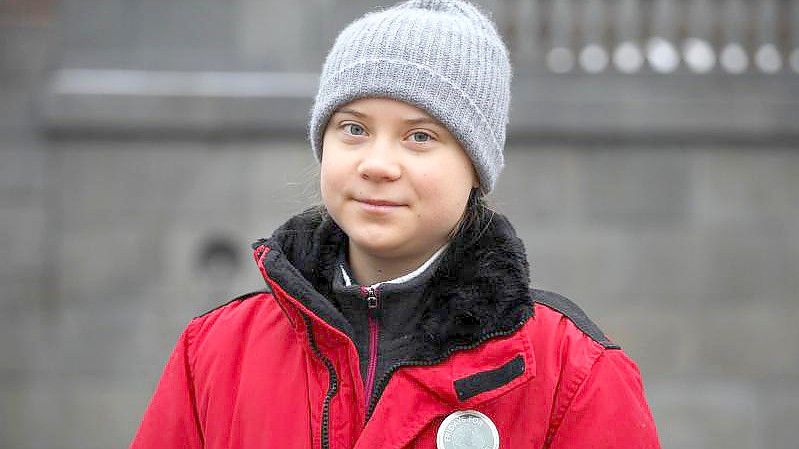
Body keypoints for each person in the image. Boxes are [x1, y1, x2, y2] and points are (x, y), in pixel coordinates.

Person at [130, 1, 661, 448]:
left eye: (420, 136)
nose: (378, 163)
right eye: (354, 128)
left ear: (475, 168)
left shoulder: (570, 368)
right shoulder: (215, 352)